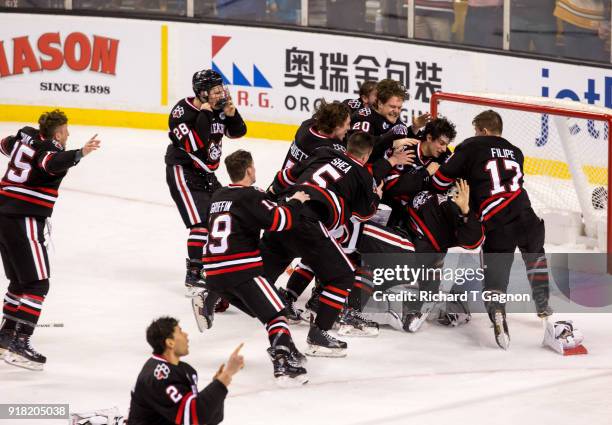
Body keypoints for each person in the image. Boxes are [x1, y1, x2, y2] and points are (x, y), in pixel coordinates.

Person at [431, 110, 552, 349]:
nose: (475, 134)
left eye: (477, 130)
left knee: (495, 282)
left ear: (483, 130)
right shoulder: (516, 152)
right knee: (536, 257)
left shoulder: (471, 146)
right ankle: (542, 303)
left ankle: (497, 312)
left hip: (498, 224)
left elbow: (440, 182)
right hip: (528, 217)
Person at [192, 150, 309, 385]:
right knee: (277, 313)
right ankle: (283, 364)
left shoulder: (218, 196)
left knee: (264, 310)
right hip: (241, 270)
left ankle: (209, 297)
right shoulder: (250, 196)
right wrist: (297, 201)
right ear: (248, 170)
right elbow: (280, 221)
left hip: (214, 274)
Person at [264, 132, 383, 355]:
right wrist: (376, 196)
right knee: (343, 275)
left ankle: (215, 297)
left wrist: (270, 195)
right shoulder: (362, 174)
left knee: (259, 274)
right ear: (367, 155)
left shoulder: (324, 152)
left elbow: (286, 177)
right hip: (309, 223)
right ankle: (319, 334)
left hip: (284, 213)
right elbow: (364, 214)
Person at [0, 110, 100, 370]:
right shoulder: (50, 150)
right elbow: (50, 163)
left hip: (4, 213)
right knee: (37, 284)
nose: (68, 135)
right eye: (66, 131)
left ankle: (5, 336)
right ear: (57, 133)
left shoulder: (26, 136)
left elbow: (5, 144)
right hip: (24, 218)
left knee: (19, 281)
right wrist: (80, 153)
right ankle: (20, 344)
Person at [165, 69, 246, 296]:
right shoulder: (182, 111)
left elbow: (238, 132)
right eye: (215, 90)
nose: (221, 94)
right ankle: (194, 273)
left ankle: (218, 266)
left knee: (224, 215)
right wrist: (206, 113)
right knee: (200, 223)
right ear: (202, 93)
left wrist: (232, 114)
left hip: (206, 174)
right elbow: (194, 143)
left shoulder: (218, 109)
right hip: (183, 170)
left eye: (222, 89)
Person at [128, 316, 244, 425]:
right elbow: (194, 415)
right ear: (170, 342)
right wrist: (226, 375)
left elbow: (209, 419)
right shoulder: (159, 376)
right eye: (180, 331)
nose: (186, 335)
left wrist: (217, 383)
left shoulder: (185, 370)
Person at [382, 117, 456, 227]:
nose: (444, 149)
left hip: (416, 214)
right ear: (429, 138)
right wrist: (425, 173)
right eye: (441, 143)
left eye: (447, 144)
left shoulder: (444, 156)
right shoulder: (405, 150)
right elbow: (392, 188)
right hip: (390, 208)